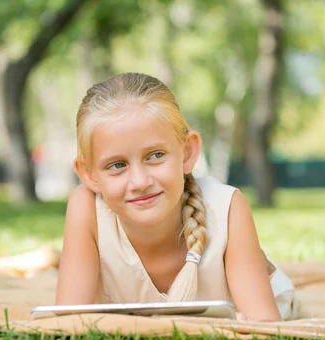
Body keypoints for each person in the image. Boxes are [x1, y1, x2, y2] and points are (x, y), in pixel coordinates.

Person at [55, 72, 295, 321]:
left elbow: (264, 323)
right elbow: (67, 321)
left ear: (188, 152)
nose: (140, 182)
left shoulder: (226, 207)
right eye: (117, 165)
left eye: (156, 155)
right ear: (89, 174)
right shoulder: (86, 207)